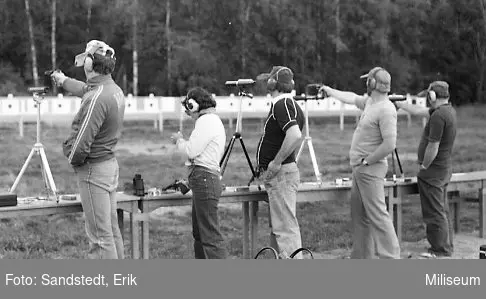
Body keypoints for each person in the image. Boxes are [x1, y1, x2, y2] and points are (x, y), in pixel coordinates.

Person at [51, 40, 126, 259]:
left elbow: (81, 145)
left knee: (100, 239)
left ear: (91, 62)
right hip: (108, 166)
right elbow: (86, 89)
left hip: (93, 170)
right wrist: (64, 81)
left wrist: (72, 160)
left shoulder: (96, 98)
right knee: (111, 232)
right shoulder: (111, 89)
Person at [321, 67, 400, 259]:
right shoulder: (371, 103)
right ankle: (362, 258)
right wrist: (330, 90)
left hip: (370, 169)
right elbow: (351, 97)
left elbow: (390, 144)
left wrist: (367, 160)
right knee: (360, 217)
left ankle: (391, 257)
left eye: (368, 80)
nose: (366, 83)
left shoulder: (386, 109)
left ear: (372, 83)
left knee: (378, 217)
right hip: (361, 170)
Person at [395, 81, 457, 258]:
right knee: (441, 210)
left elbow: (433, 146)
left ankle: (440, 250)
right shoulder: (446, 111)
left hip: (433, 172)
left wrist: (424, 166)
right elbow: (416, 111)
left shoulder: (438, 116)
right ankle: (446, 246)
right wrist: (398, 102)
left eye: (428, 96)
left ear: (432, 96)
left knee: (434, 213)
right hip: (442, 169)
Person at [170, 87, 228, 259]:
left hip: (204, 178)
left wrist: (179, 140)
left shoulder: (206, 121)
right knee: (200, 234)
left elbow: (191, 151)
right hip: (203, 178)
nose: (189, 115)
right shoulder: (210, 120)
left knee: (209, 236)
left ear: (193, 105)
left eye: (189, 110)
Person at [255, 66, 304, 259]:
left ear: (273, 83)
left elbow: (294, 134)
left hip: (281, 173)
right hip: (282, 174)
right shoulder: (288, 104)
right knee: (280, 228)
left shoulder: (282, 104)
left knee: (285, 229)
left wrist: (275, 163)